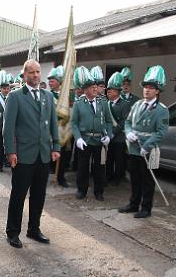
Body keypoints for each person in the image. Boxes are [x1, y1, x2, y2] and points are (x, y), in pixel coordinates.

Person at [3, 60, 61, 248]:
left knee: (38, 194)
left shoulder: (47, 96)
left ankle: (34, 229)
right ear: (24, 75)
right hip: (23, 155)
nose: (35, 75)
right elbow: (8, 127)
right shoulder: (15, 96)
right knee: (18, 195)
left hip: (43, 153)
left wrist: (56, 146)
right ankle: (13, 232)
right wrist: (10, 151)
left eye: (38, 72)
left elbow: (53, 123)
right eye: (31, 72)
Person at [118, 65, 169, 218]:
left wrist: (147, 146)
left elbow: (161, 132)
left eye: (151, 88)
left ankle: (146, 208)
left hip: (148, 150)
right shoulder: (137, 105)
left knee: (147, 180)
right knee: (134, 178)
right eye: (145, 87)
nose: (146, 90)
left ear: (157, 91)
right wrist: (128, 133)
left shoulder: (161, 110)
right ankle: (133, 204)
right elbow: (128, 122)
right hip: (134, 148)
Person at [71, 66, 113, 201]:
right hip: (85, 140)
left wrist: (109, 135)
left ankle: (99, 191)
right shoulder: (79, 103)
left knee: (99, 167)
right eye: (92, 87)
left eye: (96, 86)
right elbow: (74, 123)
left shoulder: (103, 102)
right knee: (83, 166)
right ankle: (81, 190)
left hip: (99, 140)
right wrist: (78, 138)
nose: (95, 89)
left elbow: (109, 121)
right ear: (85, 90)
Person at [105, 72, 131, 186]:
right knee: (109, 158)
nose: (108, 92)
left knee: (119, 159)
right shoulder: (107, 104)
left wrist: (113, 132)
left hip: (119, 137)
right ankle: (108, 176)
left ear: (117, 92)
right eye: (108, 90)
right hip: (108, 136)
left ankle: (117, 178)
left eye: (110, 90)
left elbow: (124, 122)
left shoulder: (125, 104)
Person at [47, 66, 71, 187]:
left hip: (63, 129)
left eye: (52, 81)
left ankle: (61, 177)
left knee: (63, 154)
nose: (50, 83)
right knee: (48, 153)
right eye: (49, 81)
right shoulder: (47, 95)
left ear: (59, 82)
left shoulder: (66, 97)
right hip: (50, 130)